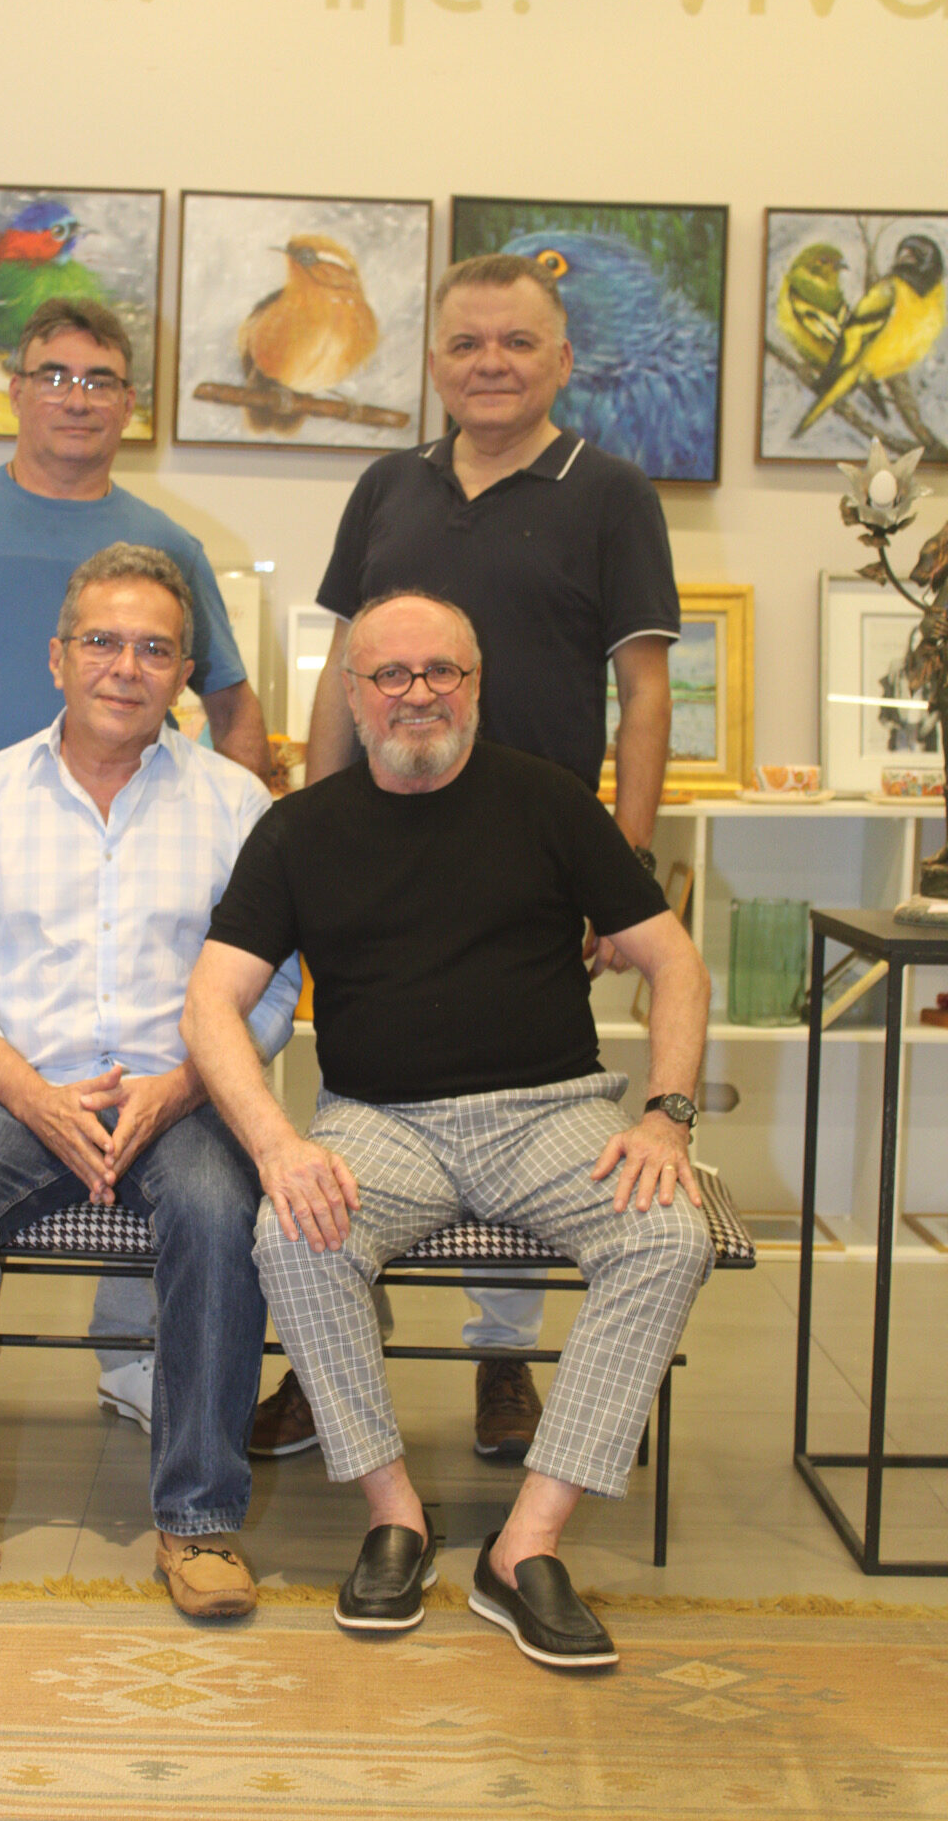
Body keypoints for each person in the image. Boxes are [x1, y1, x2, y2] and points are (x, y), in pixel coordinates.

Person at [182, 592, 711, 1670]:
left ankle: (525, 1547)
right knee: (292, 1233)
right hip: (380, 1124)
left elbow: (675, 965)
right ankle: (396, 1518)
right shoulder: (297, 830)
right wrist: (278, 1145)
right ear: (352, 692)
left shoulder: (550, 802)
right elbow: (208, 1006)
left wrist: (667, 1116)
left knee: (668, 1234)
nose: (417, 693)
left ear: (475, 685)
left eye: (441, 672)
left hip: (551, 1114)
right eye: (391, 674)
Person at [252, 253, 680, 1467]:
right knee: (363, 1085)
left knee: (523, 1081)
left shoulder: (611, 493)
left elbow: (643, 691)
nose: (489, 363)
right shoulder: (386, 485)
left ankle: (502, 1361)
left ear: (561, 359)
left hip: (536, 856)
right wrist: (314, 830)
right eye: (465, 344)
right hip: (381, 842)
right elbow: (342, 666)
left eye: (516, 342)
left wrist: (622, 862)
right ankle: (330, 1364)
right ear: (432, 362)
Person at [0, 297, 270, 1441]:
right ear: (17, 389)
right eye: (54, 374)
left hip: (144, 839)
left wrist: (251, 860)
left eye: (100, 378)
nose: (76, 397)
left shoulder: (167, 546)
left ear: (129, 404)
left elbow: (233, 706)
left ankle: (135, 1359)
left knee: (165, 1132)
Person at [0, 545, 299, 1620]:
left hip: (180, 1090)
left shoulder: (237, 804)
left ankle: (198, 1522)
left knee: (215, 1209)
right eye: (102, 641)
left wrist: (181, 1087)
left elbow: (271, 992)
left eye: (154, 649)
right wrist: (37, 1101)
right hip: (20, 1088)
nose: (125, 667)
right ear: (57, 658)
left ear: (184, 674)